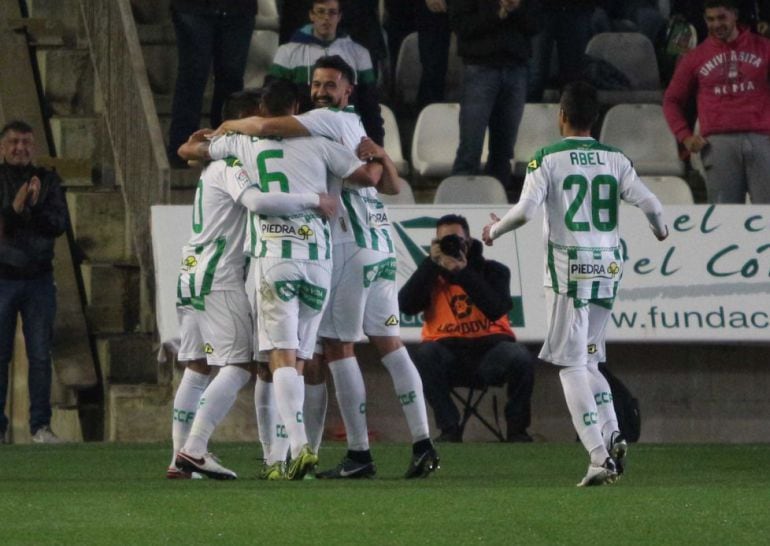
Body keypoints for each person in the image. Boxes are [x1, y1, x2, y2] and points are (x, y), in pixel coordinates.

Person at [216, 56, 439, 480]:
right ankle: (423, 441)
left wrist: (229, 126)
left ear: (347, 91)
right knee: (390, 343)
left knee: (337, 347)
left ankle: (359, 453)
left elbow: (267, 126)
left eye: (330, 84)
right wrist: (384, 156)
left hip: (347, 243)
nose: (321, 91)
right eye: (316, 83)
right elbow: (389, 184)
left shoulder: (324, 120)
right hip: (380, 244)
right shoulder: (355, 126)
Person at [179, 78, 382, 481]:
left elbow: (190, 152)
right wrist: (380, 157)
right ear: (296, 108)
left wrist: (213, 134)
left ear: (260, 111)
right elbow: (369, 178)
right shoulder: (323, 144)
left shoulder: (241, 144)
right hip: (318, 262)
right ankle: (292, 456)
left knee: (274, 359)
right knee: (302, 359)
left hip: (273, 260)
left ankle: (289, 450)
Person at [482, 81, 669, 486]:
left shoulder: (546, 159)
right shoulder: (615, 158)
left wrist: (495, 231)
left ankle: (598, 456)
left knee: (570, 365)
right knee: (590, 359)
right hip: (609, 269)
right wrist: (660, 229)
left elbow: (525, 212)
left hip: (569, 270)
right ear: (595, 119)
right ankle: (613, 431)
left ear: (561, 116)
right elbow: (652, 204)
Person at [165, 90, 265, 479]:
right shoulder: (233, 165)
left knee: (197, 365)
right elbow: (256, 202)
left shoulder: (214, 163)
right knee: (239, 365)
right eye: (258, 119)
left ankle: (178, 458)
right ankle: (195, 447)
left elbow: (186, 149)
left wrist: (199, 144)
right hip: (219, 273)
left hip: (191, 269)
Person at [398, 214, 535, 443]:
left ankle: (517, 431)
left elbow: (495, 308)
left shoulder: (495, 271)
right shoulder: (430, 275)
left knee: (520, 357)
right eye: (445, 241)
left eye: (457, 240)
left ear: (469, 242)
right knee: (423, 355)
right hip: (447, 354)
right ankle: (449, 428)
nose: (452, 245)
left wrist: (462, 272)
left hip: (491, 352)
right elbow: (405, 305)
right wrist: (431, 265)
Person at [0, 121, 68, 445]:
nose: (20, 148)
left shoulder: (49, 180)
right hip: (3, 279)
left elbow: (58, 225)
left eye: (26, 143)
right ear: (3, 147)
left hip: (39, 279)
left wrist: (34, 206)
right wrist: (16, 207)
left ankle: (40, 427)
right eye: (14, 142)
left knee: (40, 354)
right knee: (1, 356)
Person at [663, 0, 770, 204]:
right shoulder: (695, 57)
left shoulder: (764, 48)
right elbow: (671, 100)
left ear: (735, 15)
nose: (716, 24)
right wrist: (685, 136)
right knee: (723, 217)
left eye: (722, 17)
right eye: (710, 19)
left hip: (761, 139)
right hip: (718, 144)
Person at [449, 0, 538, 197]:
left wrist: (516, 9)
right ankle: (456, 207)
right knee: (470, 150)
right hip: (479, 66)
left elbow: (536, 24)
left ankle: (496, 210)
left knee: (504, 152)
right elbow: (461, 26)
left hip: (516, 66)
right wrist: (496, 14)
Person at [268, 0, 385, 145]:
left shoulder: (360, 53)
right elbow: (274, 102)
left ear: (339, 16)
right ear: (311, 15)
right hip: (301, 137)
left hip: (346, 137)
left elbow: (370, 107)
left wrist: (377, 146)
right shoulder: (286, 52)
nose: (326, 18)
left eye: (332, 12)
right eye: (321, 11)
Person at [165, 0, 256, 168]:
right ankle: (181, 150)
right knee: (193, 76)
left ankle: (228, 148)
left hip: (238, 9)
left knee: (231, 79)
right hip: (195, 8)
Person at [527, 0, 598, 102]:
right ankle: (528, 117)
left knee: (572, 78)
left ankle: (567, 117)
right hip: (542, 10)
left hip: (576, 10)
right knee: (536, 77)